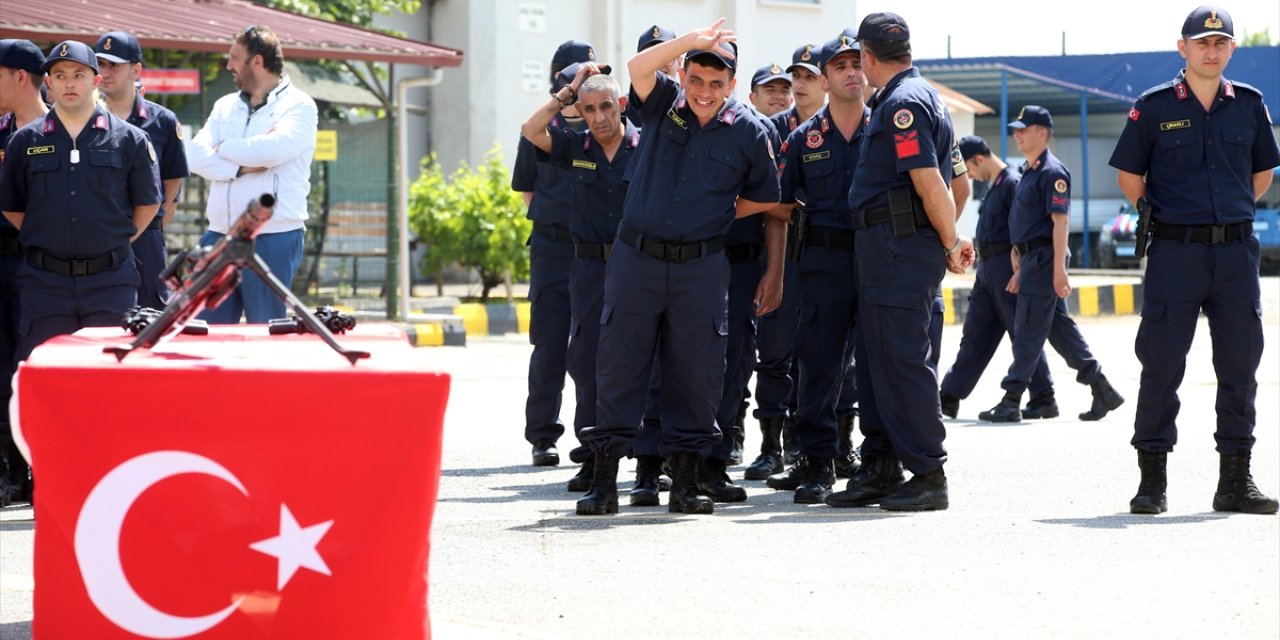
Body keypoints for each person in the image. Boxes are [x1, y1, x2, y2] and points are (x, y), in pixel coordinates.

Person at [576, 19, 780, 515]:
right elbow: (636, 66)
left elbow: (766, 197)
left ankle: (686, 483)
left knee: (697, 371)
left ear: (732, 86)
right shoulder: (665, 103)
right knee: (620, 365)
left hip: (701, 267)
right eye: (697, 80)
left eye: (716, 84)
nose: (705, 92)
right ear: (684, 77)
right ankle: (605, 482)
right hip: (637, 259)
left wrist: (716, 212)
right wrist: (692, 42)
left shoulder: (751, 131)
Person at [1110, 5, 1279, 515]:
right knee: (1160, 366)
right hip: (1175, 254)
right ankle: (1152, 481)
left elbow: (1260, 176)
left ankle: (1235, 481)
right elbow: (1130, 177)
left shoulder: (1249, 105)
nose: (1211, 50)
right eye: (1201, 42)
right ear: (1182, 47)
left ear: (1230, 49)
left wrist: (1227, 214)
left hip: (1234, 254)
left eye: (1220, 43)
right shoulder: (1154, 105)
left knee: (1239, 367)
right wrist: (1164, 216)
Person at [826, 13, 974, 512]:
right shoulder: (912, 96)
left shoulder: (904, 104)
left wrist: (951, 242)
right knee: (877, 361)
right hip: (888, 247)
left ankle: (929, 472)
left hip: (898, 246)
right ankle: (883, 464)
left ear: (868, 57)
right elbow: (957, 183)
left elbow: (931, 181)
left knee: (902, 360)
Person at [519, 64, 642, 495]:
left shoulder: (644, 147)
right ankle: (593, 458)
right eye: (589, 109)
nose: (599, 116)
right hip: (588, 268)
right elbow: (531, 129)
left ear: (621, 105)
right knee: (587, 363)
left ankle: (649, 461)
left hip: (635, 269)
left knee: (646, 361)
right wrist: (567, 94)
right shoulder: (577, 147)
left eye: (606, 106)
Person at [0, 39, 161, 363]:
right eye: (59, 76)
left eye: (78, 74)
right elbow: (12, 206)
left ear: (95, 80)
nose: (69, 83)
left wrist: (116, 240)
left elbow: (149, 203)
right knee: (45, 375)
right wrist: (47, 236)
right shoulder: (24, 141)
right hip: (44, 284)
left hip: (110, 282)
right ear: (48, 83)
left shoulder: (129, 139)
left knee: (109, 377)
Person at [763, 34, 869, 504]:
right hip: (822, 261)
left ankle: (879, 458)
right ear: (824, 80)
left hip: (875, 260)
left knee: (878, 364)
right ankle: (818, 462)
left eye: (856, 63)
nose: (850, 72)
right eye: (839, 66)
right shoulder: (802, 139)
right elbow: (780, 208)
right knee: (819, 366)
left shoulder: (887, 128)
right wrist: (777, 274)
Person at [975, 105, 1124, 424]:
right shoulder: (1029, 171)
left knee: (1027, 328)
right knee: (1059, 330)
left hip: (1045, 259)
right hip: (1032, 259)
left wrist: (1059, 269)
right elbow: (1025, 220)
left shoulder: (1052, 172)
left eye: (1023, 129)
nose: (1017, 134)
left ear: (1042, 133)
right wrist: (1018, 259)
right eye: (1016, 129)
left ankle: (1012, 398)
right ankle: (1102, 388)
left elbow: (1060, 222)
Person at [185, 25, 317, 324]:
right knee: (206, 334)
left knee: (265, 332)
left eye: (234, 57)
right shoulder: (224, 106)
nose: (228, 65)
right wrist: (241, 166)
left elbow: (273, 150)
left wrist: (222, 148)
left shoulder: (299, 106)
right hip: (218, 236)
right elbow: (194, 156)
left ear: (256, 62)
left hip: (272, 238)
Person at [511, 39, 597, 468]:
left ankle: (590, 435)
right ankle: (543, 436)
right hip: (551, 247)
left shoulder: (605, 127)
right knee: (548, 344)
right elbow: (527, 189)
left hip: (593, 251)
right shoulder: (542, 132)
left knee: (591, 346)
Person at [747, 43, 829, 477]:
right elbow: (770, 202)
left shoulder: (843, 124)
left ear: (824, 82)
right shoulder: (773, 128)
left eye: (807, 76)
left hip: (828, 252)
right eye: (795, 77)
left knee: (825, 353)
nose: (798, 84)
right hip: (781, 250)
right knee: (774, 349)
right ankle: (770, 446)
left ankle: (819, 446)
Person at [938, 136, 1057, 420]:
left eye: (968, 169)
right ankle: (949, 396)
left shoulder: (1013, 183)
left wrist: (1021, 269)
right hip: (988, 268)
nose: (970, 177)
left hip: (1007, 265)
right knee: (975, 334)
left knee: (1022, 333)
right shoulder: (996, 186)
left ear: (979, 159)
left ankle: (1044, 396)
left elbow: (1024, 228)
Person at [94, 31, 189, 311]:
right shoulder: (84, 119)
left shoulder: (162, 122)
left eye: (114, 65)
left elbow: (172, 184)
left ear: (136, 70)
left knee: (150, 316)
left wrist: (150, 225)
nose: (105, 72)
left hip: (146, 239)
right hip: (98, 236)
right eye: (100, 64)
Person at [0, 38, 47, 507]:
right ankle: (9, 474)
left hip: (40, 265)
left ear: (19, 77)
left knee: (33, 369)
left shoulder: (61, 131)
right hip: (2, 260)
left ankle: (42, 470)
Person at [624, 25, 677, 125]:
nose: (659, 65)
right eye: (651, 60)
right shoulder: (622, 109)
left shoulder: (691, 105)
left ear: (679, 61)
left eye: (666, 57)